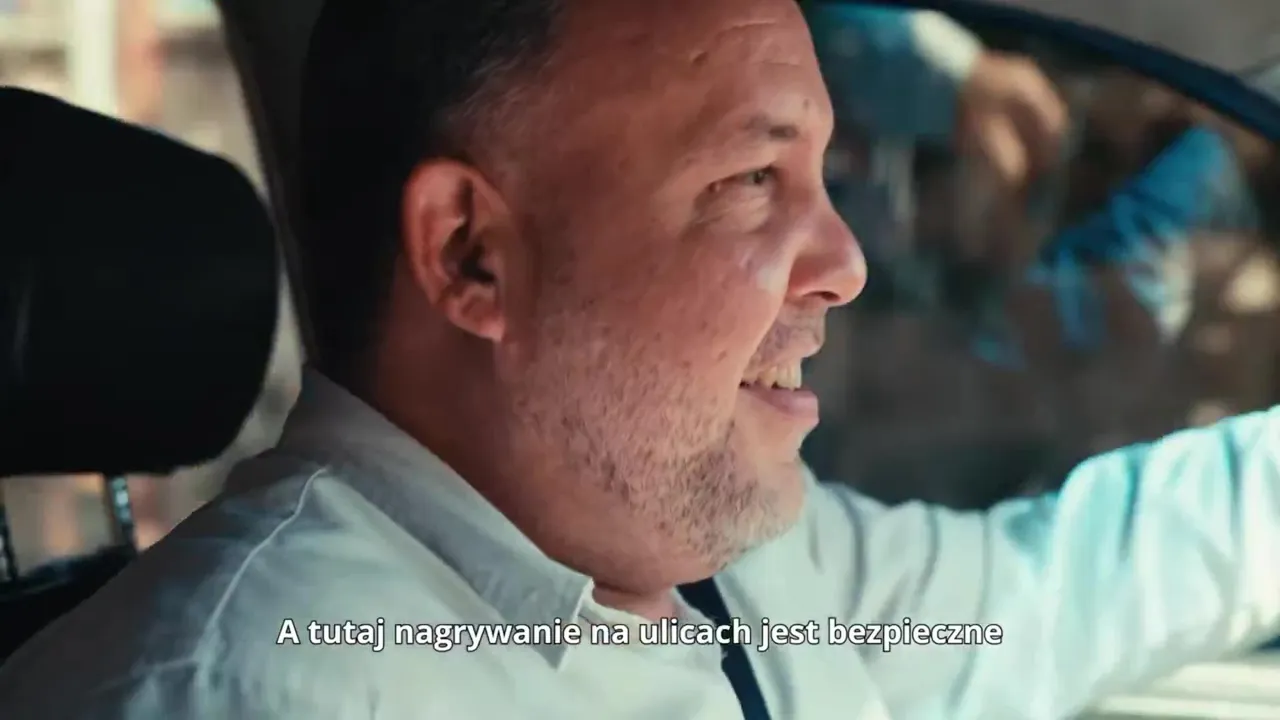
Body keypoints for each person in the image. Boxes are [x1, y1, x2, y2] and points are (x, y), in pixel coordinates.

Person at [2, 1, 1280, 719]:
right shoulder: (257, 691)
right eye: (750, 178)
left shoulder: (743, 563)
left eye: (820, 176)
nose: (843, 263)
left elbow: (1046, 598)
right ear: (471, 256)